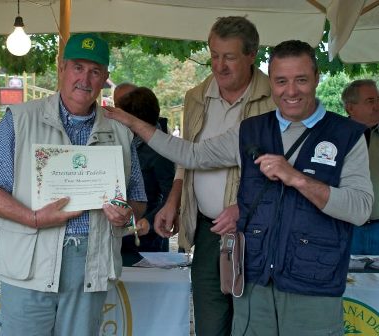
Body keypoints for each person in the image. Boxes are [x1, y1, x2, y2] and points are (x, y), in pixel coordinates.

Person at [105, 40, 373, 335]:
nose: (291, 91)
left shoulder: (346, 135)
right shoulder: (252, 130)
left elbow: (360, 209)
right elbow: (191, 154)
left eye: (301, 80)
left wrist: (297, 177)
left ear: (317, 79)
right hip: (254, 281)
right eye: (281, 81)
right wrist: (133, 122)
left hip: (313, 284)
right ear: (271, 82)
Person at [0, 33, 147, 336]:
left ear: (104, 78)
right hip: (31, 261)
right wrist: (33, 218)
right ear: (61, 69)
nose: (84, 79)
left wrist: (126, 213)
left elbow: (137, 199)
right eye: (77, 67)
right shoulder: (21, 120)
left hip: (91, 264)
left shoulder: (120, 132)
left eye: (94, 71)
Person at [153, 16, 276, 335]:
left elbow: (281, 169)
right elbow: (188, 156)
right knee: (209, 325)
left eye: (230, 57)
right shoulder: (196, 96)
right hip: (209, 231)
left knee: (251, 324)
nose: (219, 65)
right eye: (214, 55)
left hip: (259, 234)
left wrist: (244, 209)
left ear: (252, 55)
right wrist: (173, 201)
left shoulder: (275, 99)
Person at [118, 86, 175, 256]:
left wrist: (149, 221)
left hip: (147, 240)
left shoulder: (161, 150)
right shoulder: (127, 141)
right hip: (123, 233)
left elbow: (171, 196)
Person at [342, 79, 379, 255]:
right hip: (346, 227)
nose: (377, 105)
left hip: (378, 226)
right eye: (370, 101)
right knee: (347, 279)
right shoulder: (334, 137)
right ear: (350, 108)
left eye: (378, 99)